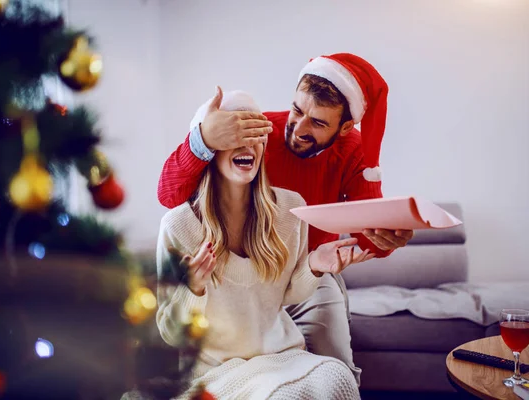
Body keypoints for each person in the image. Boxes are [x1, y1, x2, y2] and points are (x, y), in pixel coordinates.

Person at [156, 52, 414, 382]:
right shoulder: (258, 131)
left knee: (338, 371)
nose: (299, 128)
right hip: (252, 283)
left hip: (311, 271)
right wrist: (202, 139)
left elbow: (364, 241)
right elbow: (169, 196)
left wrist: (380, 211)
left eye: (319, 123)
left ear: (346, 126)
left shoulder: (351, 150)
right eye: (297, 110)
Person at [155, 91, 369, 399]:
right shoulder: (178, 227)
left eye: (255, 135)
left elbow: (287, 294)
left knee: (339, 377)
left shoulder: (289, 208)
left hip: (283, 357)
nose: (247, 144)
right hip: (218, 371)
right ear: (211, 148)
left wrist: (314, 264)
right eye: (234, 135)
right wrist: (193, 289)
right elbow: (171, 334)